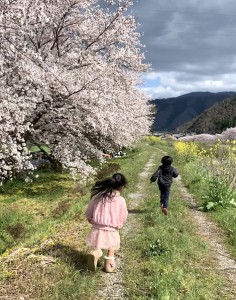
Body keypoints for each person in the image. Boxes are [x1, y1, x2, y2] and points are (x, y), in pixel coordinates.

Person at [85, 173, 128, 272]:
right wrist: (120, 224)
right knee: (111, 247)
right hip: (112, 229)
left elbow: (89, 211)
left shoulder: (98, 197)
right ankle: (109, 266)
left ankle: (96, 253)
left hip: (97, 227)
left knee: (97, 244)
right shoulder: (121, 200)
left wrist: (90, 219)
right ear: (121, 187)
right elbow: (123, 215)